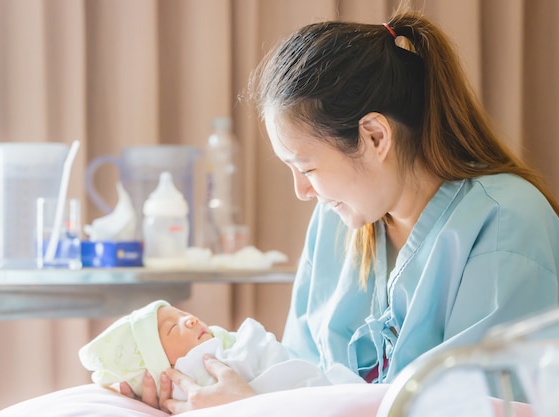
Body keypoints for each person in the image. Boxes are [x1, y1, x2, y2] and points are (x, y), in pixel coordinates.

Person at [124, 9, 559, 414]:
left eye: (308, 167)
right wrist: (198, 378)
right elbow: (296, 371)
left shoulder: (505, 225)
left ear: (373, 136)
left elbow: (486, 406)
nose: (302, 191)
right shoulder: (337, 225)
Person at [79, 300, 362, 400]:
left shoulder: (224, 343)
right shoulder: (191, 376)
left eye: (182, 313)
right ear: (161, 365)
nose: (188, 319)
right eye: (172, 328)